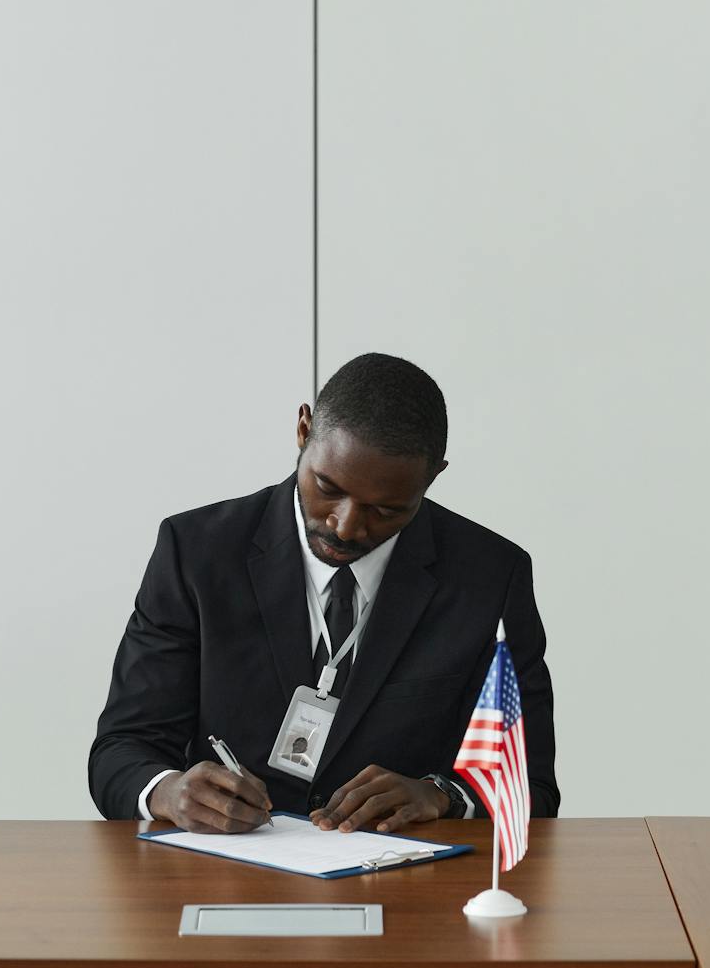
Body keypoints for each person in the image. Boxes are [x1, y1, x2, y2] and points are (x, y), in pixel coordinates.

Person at [90, 353, 558, 833]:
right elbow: (121, 750)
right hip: (229, 877)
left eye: (386, 510)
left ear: (433, 476)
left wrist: (442, 795)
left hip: (406, 882)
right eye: (327, 487)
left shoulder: (491, 577)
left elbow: (533, 786)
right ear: (303, 430)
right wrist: (168, 790)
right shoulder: (195, 553)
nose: (345, 525)